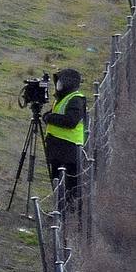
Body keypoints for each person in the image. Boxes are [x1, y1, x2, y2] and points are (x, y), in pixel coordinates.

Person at [42, 68, 87, 213]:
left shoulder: (75, 99)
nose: (58, 85)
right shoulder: (62, 98)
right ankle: (61, 209)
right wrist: (47, 116)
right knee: (58, 179)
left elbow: (71, 121)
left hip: (68, 148)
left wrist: (49, 118)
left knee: (67, 183)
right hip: (58, 147)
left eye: (60, 82)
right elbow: (57, 114)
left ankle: (65, 212)